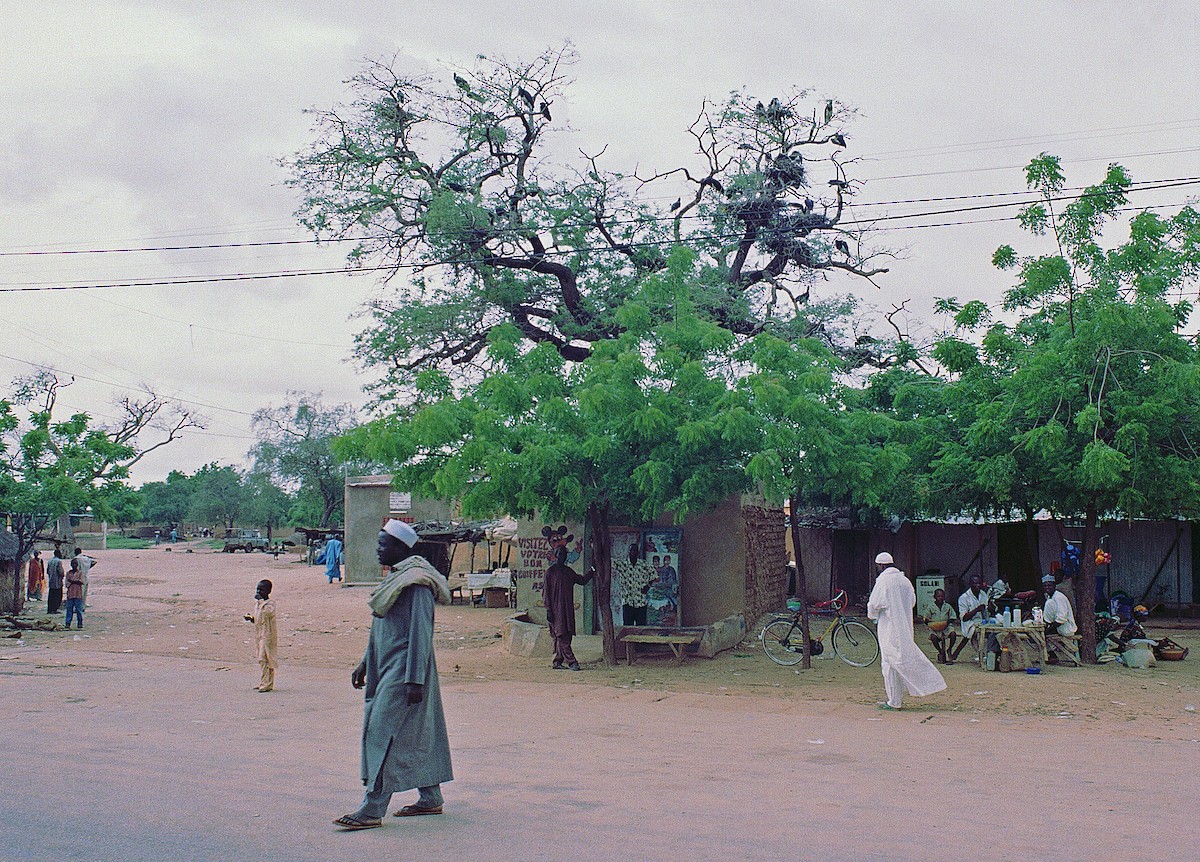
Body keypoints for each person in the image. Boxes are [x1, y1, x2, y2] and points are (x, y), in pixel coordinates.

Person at [334, 519, 453, 831]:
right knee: (415, 734)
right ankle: (430, 798)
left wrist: (415, 680)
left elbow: (420, 635)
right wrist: (364, 662)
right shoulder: (395, 580)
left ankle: (372, 808)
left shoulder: (417, 583)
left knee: (381, 732)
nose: (377, 550)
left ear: (401, 548)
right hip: (384, 667)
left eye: (382, 544)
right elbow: (381, 627)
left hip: (405, 672)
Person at [866, 552, 946, 710]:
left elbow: (873, 605)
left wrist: (874, 616)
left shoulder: (883, 581)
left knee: (889, 663)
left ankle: (894, 701)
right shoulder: (904, 581)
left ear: (880, 565)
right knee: (902, 659)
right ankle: (897, 699)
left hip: (888, 628)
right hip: (905, 627)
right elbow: (912, 602)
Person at [543, 545, 594, 671]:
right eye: (560, 554)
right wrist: (548, 609)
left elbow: (582, 580)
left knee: (566, 634)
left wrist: (592, 571)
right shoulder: (550, 572)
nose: (562, 556)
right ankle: (572, 662)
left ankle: (557, 661)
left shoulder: (568, 572)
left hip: (567, 609)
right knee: (561, 635)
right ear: (556, 555)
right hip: (555, 610)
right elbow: (546, 592)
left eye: (564, 554)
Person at [244, 579, 277, 692]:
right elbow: (259, 619)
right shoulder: (258, 604)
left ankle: (267, 683)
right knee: (261, 658)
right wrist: (251, 618)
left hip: (267, 635)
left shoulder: (270, 604)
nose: (258, 592)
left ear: (268, 591)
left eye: (261, 590)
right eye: (257, 589)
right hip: (260, 635)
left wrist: (262, 601)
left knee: (265, 658)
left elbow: (267, 613)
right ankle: (264, 682)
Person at [613, 542, 656, 626]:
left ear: (638, 552)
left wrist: (648, 586)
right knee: (628, 627)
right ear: (628, 552)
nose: (632, 552)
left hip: (641, 601)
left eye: (635, 550)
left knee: (641, 628)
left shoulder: (644, 564)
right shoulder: (623, 564)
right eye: (631, 550)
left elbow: (654, 574)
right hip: (628, 600)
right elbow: (609, 561)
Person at [951, 575, 991, 662]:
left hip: (982, 621)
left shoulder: (983, 594)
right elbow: (964, 618)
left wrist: (989, 607)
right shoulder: (963, 598)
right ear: (970, 584)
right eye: (975, 583)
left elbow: (986, 609)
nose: (977, 585)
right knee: (972, 632)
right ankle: (981, 654)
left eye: (979, 583)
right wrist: (977, 609)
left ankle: (987, 654)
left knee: (992, 632)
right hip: (969, 622)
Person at [923, 588, 958, 664]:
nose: (940, 598)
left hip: (946, 627)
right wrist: (929, 621)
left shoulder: (948, 606)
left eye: (942, 596)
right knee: (933, 637)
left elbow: (953, 617)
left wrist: (948, 621)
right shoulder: (930, 607)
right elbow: (925, 619)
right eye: (938, 596)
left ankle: (949, 649)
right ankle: (940, 651)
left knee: (953, 634)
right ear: (934, 597)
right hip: (935, 627)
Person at [64, 559, 85, 629]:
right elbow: (67, 584)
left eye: (75, 564)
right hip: (70, 594)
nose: (74, 565)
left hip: (78, 594)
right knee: (69, 610)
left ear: (77, 565)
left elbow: (82, 582)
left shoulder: (80, 573)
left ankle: (80, 623)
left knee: (79, 610)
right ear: (71, 565)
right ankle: (68, 623)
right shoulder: (68, 573)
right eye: (73, 564)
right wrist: (76, 581)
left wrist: (72, 581)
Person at [46, 547, 66, 615]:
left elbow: (48, 571)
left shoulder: (50, 561)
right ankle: (55, 609)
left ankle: (50, 609)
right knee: (57, 596)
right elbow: (60, 572)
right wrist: (62, 576)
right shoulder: (58, 561)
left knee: (51, 596)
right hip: (57, 582)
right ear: (58, 554)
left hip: (51, 581)